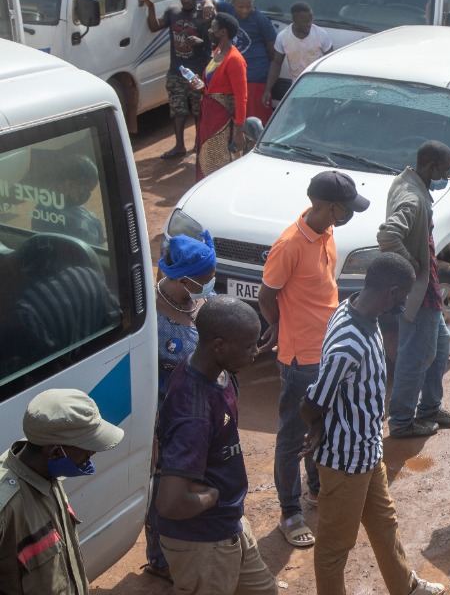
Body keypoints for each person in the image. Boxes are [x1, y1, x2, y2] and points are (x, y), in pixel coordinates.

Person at [299, 252, 445, 595]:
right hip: (344, 462)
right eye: (405, 294)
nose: (406, 300)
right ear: (392, 292)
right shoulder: (347, 342)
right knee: (335, 548)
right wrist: (316, 426)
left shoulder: (364, 313)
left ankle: (405, 587)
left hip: (368, 452)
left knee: (384, 524)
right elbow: (312, 401)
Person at [259, 171, 370, 548]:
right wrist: (278, 326)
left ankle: (316, 487)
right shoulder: (289, 244)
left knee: (322, 421)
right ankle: (289, 512)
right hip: (298, 359)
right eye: (347, 208)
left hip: (327, 352)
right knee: (292, 435)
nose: (349, 214)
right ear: (330, 207)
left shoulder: (327, 232)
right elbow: (266, 294)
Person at [155, 297, 276, 595]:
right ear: (219, 346)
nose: (256, 352)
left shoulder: (216, 372)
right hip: (203, 541)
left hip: (228, 525)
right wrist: (214, 495)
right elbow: (169, 503)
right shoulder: (193, 412)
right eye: (248, 346)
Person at [376, 141, 450, 439]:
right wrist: (412, 263)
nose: (447, 176)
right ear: (431, 168)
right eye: (446, 171)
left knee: (440, 346)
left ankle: (429, 408)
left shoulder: (406, 180)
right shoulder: (413, 199)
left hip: (429, 286)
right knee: (415, 356)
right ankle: (401, 421)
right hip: (419, 293)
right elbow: (388, 234)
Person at [145, 230, 217, 581]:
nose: (210, 283)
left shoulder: (203, 299)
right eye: (204, 278)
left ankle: (190, 548)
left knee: (196, 482)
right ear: (183, 279)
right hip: (166, 421)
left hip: (201, 416)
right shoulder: (152, 321)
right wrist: (153, 437)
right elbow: (145, 383)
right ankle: (160, 558)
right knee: (165, 488)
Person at [0, 389, 124, 595]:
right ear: (55, 452)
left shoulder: (45, 470)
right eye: (87, 450)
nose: (90, 457)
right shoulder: (7, 509)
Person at [141, 0, 212, 159]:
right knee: (177, 110)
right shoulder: (173, 12)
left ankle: (198, 143)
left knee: (198, 111)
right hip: (177, 71)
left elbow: (211, 43)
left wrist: (199, 42)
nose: (186, 0)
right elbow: (154, 26)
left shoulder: (203, 15)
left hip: (196, 73)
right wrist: (150, 7)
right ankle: (179, 146)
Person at [211, 0, 278, 124]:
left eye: (248, 6)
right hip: (233, 76)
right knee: (236, 117)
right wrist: (208, 4)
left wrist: (264, 66)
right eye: (240, 7)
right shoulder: (228, 10)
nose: (245, 10)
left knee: (256, 121)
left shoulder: (260, 20)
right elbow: (211, 0)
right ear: (233, 4)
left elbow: (272, 48)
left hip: (255, 77)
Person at [194, 13, 247, 181]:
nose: (210, 31)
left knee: (220, 160)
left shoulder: (235, 59)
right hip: (209, 117)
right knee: (206, 156)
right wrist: (200, 85)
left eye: (213, 28)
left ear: (223, 32)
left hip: (223, 121)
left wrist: (239, 131)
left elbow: (241, 97)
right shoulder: (217, 52)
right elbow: (212, 86)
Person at [263, 1, 334, 110]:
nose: (309, 24)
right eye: (305, 21)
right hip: (298, 87)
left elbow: (331, 63)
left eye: (311, 20)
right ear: (294, 19)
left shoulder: (321, 35)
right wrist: (268, 90)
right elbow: (276, 64)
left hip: (319, 89)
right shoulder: (283, 37)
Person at [31, 155, 105, 246]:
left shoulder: (67, 204)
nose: (87, 195)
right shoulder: (47, 214)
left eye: (90, 191)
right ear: (69, 183)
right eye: (85, 190)